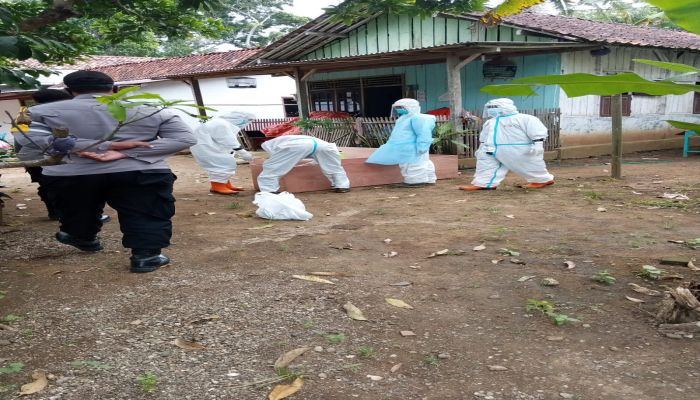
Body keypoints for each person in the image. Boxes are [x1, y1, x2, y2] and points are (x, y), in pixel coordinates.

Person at [28, 70, 196, 273]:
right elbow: (184, 139)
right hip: (140, 170)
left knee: (77, 208)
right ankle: (147, 256)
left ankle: (81, 237)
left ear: (68, 91)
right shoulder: (151, 109)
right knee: (146, 209)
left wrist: (85, 147)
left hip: (70, 173)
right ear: (115, 89)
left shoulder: (38, 113)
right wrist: (125, 153)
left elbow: (28, 142)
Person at [459, 98, 554, 190]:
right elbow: (485, 136)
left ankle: (541, 180)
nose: (491, 110)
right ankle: (484, 183)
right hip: (490, 149)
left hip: (517, 149)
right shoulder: (491, 122)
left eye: (494, 107)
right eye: (490, 107)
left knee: (528, 164)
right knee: (486, 165)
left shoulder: (524, 118)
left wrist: (538, 144)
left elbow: (537, 131)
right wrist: (482, 148)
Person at [14, 89, 73, 220]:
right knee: (60, 184)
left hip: (31, 158)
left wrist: (22, 158)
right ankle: (60, 212)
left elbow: (18, 141)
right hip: (47, 156)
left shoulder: (22, 116)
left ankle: (55, 212)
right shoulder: (59, 114)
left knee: (46, 184)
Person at [365, 98, 436, 186]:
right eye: (398, 107)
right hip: (405, 146)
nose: (399, 110)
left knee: (413, 163)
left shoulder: (418, 118)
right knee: (419, 162)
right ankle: (428, 179)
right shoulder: (404, 118)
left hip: (413, 146)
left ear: (411, 107)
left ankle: (416, 181)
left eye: (401, 107)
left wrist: (422, 146)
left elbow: (423, 133)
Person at [257, 135, 350, 193]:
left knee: (272, 166)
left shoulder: (272, 145)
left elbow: (279, 160)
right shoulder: (285, 139)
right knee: (334, 167)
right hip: (323, 145)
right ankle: (342, 186)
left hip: (300, 146)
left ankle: (269, 190)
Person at [190, 112, 254, 195]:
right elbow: (229, 140)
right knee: (223, 165)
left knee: (223, 164)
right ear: (240, 119)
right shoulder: (221, 124)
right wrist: (244, 153)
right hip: (207, 148)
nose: (248, 123)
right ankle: (217, 186)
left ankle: (225, 185)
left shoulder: (223, 123)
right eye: (248, 120)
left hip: (210, 146)